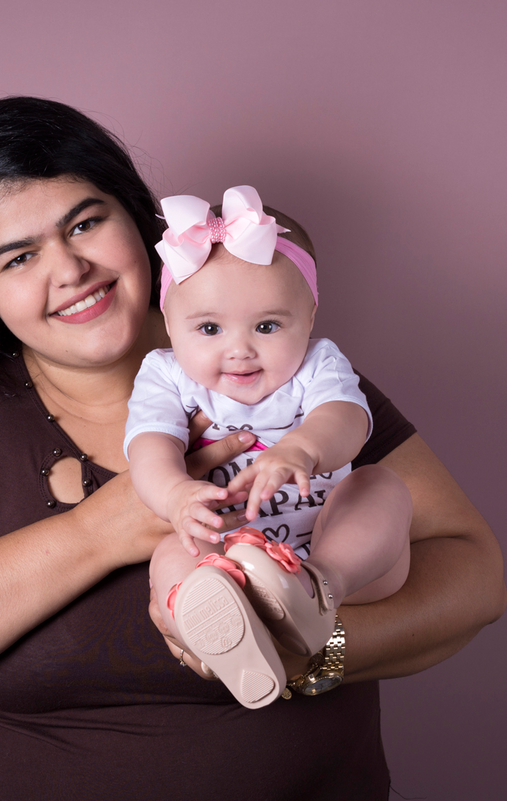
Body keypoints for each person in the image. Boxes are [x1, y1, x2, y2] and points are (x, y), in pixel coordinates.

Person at [0, 96, 506, 800]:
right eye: (18, 256)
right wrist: (100, 531)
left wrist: (313, 652)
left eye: (84, 222)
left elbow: (475, 576)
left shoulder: (284, 373)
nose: (70, 268)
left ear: (141, 223)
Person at [127, 186, 412, 708]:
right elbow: (149, 444)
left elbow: (347, 419)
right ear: (169, 324)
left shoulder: (317, 363)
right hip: (230, 559)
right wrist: (173, 496)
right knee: (173, 554)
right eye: (209, 328)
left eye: (267, 325)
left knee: (380, 486)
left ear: (309, 316)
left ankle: (316, 590)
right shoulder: (166, 375)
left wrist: (303, 448)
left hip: (339, 554)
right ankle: (216, 631)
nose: (239, 349)